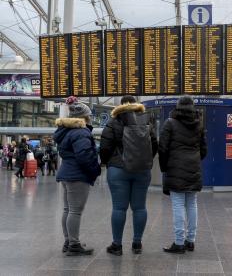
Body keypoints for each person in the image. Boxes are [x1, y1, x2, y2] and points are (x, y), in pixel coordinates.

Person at [100, 95, 157, 256]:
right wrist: (144, 161)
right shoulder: (147, 122)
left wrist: (108, 162)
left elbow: (104, 146)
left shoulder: (113, 122)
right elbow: (154, 145)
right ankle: (137, 243)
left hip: (118, 169)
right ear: (136, 104)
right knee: (139, 207)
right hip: (142, 170)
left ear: (121, 105)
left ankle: (117, 245)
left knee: (119, 208)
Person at [159, 95, 207, 254]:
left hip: (175, 168)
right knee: (192, 203)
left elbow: (163, 148)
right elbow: (204, 150)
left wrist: (165, 167)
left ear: (178, 107)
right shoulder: (198, 125)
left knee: (178, 204)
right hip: (193, 168)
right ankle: (190, 241)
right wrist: (194, 159)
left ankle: (179, 242)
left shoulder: (170, 123)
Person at [53, 96, 101, 256]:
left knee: (68, 209)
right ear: (85, 117)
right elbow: (84, 156)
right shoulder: (81, 132)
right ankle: (74, 244)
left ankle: (68, 241)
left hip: (66, 172)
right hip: (77, 175)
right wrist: (95, 170)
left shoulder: (66, 131)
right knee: (75, 211)